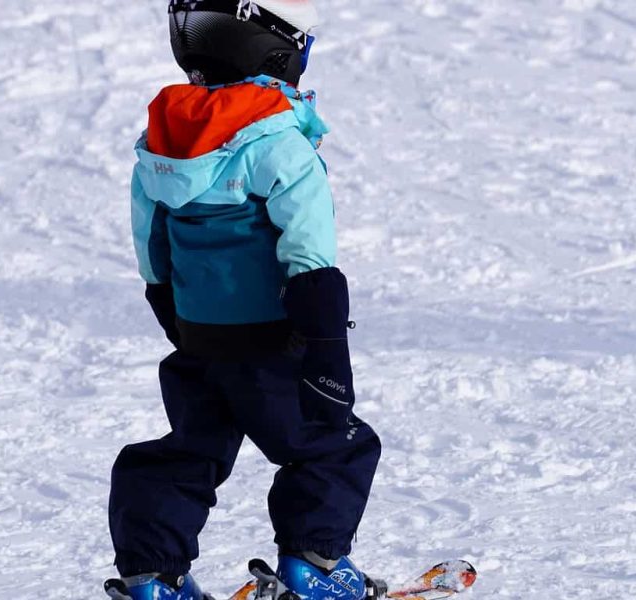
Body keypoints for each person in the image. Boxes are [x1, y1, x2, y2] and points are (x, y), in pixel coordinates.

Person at [105, 1, 380, 598]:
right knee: (335, 446)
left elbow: (150, 241)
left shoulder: (160, 138)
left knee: (187, 451)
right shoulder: (278, 145)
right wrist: (326, 352)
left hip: (200, 338)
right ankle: (316, 565)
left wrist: (175, 315)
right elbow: (309, 256)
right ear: (276, 51)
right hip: (274, 341)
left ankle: (153, 575)